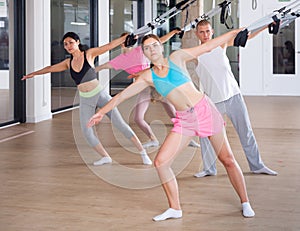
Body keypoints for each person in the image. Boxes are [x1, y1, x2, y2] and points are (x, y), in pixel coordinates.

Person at [88, 29, 256, 221]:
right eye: (147, 48)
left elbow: (208, 46)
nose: (151, 49)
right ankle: (175, 208)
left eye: (154, 45)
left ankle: (245, 202)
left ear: (161, 46)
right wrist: (101, 112)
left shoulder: (177, 58)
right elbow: (121, 96)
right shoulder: (147, 77)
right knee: (161, 162)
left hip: (204, 111)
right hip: (185, 120)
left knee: (227, 160)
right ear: (144, 52)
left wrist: (236, 32)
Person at [22, 32, 152, 166]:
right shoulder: (68, 62)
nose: (68, 46)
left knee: (121, 125)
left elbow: (109, 46)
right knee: (86, 131)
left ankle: (143, 153)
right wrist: (33, 74)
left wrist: (125, 38)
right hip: (85, 100)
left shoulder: (89, 54)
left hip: (100, 95)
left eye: (71, 42)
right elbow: (50, 68)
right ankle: (105, 157)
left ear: (78, 42)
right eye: (65, 44)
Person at [193, 20, 277, 178]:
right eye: (201, 32)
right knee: (205, 135)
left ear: (212, 32)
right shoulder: (195, 53)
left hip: (233, 96)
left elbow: (247, 37)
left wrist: (266, 26)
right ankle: (209, 169)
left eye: (207, 31)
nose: (205, 35)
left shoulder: (220, 45)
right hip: (213, 101)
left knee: (246, 131)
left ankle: (257, 165)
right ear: (197, 34)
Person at [95, 29, 200, 149]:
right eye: (125, 41)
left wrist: (172, 33)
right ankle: (153, 139)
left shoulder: (140, 50)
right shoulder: (119, 60)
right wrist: (87, 71)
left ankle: (188, 138)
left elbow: (159, 41)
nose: (128, 43)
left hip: (158, 84)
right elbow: (103, 66)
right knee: (138, 118)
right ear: (121, 43)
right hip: (144, 87)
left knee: (174, 114)